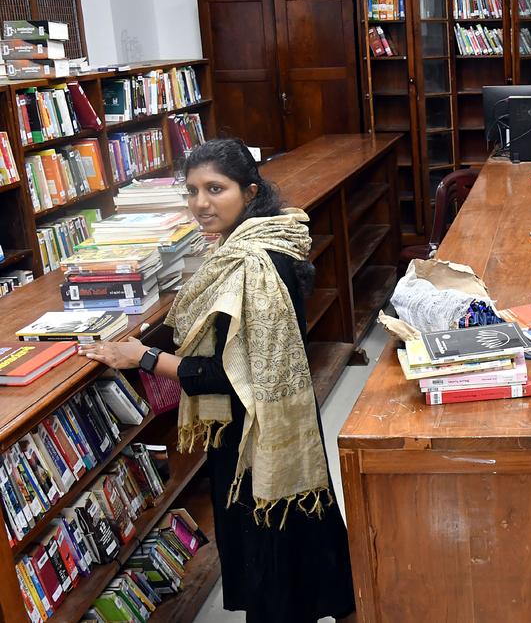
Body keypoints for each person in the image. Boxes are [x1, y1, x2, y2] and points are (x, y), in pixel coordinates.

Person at [79, 139, 356, 623]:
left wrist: (143, 357)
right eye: (191, 191)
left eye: (215, 189)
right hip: (278, 419)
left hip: (255, 432)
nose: (201, 204)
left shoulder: (253, 265)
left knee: (272, 543)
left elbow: (228, 379)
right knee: (301, 532)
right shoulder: (254, 244)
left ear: (249, 193)